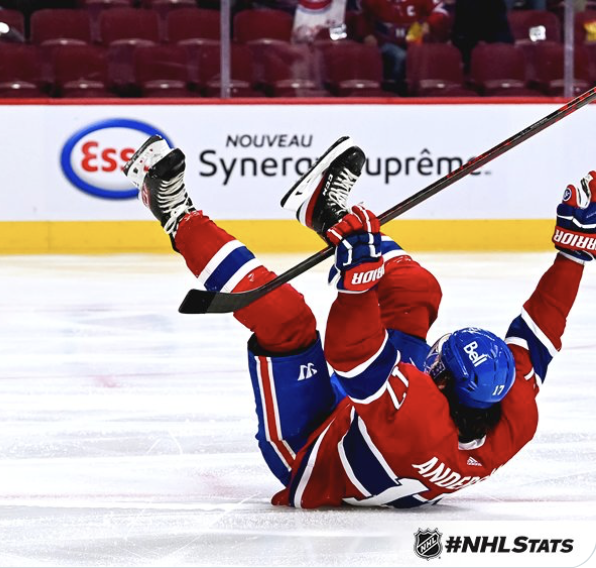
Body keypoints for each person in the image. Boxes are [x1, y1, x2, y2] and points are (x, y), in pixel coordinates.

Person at [122, 134, 592, 508]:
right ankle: (324, 212)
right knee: (417, 292)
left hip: (312, 448)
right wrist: (574, 253)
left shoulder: (416, 420)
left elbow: (351, 357)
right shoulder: (513, 408)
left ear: (441, 382)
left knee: (289, 321)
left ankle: (174, 214)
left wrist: (357, 284)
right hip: (375, 413)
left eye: (437, 362)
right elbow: (541, 330)